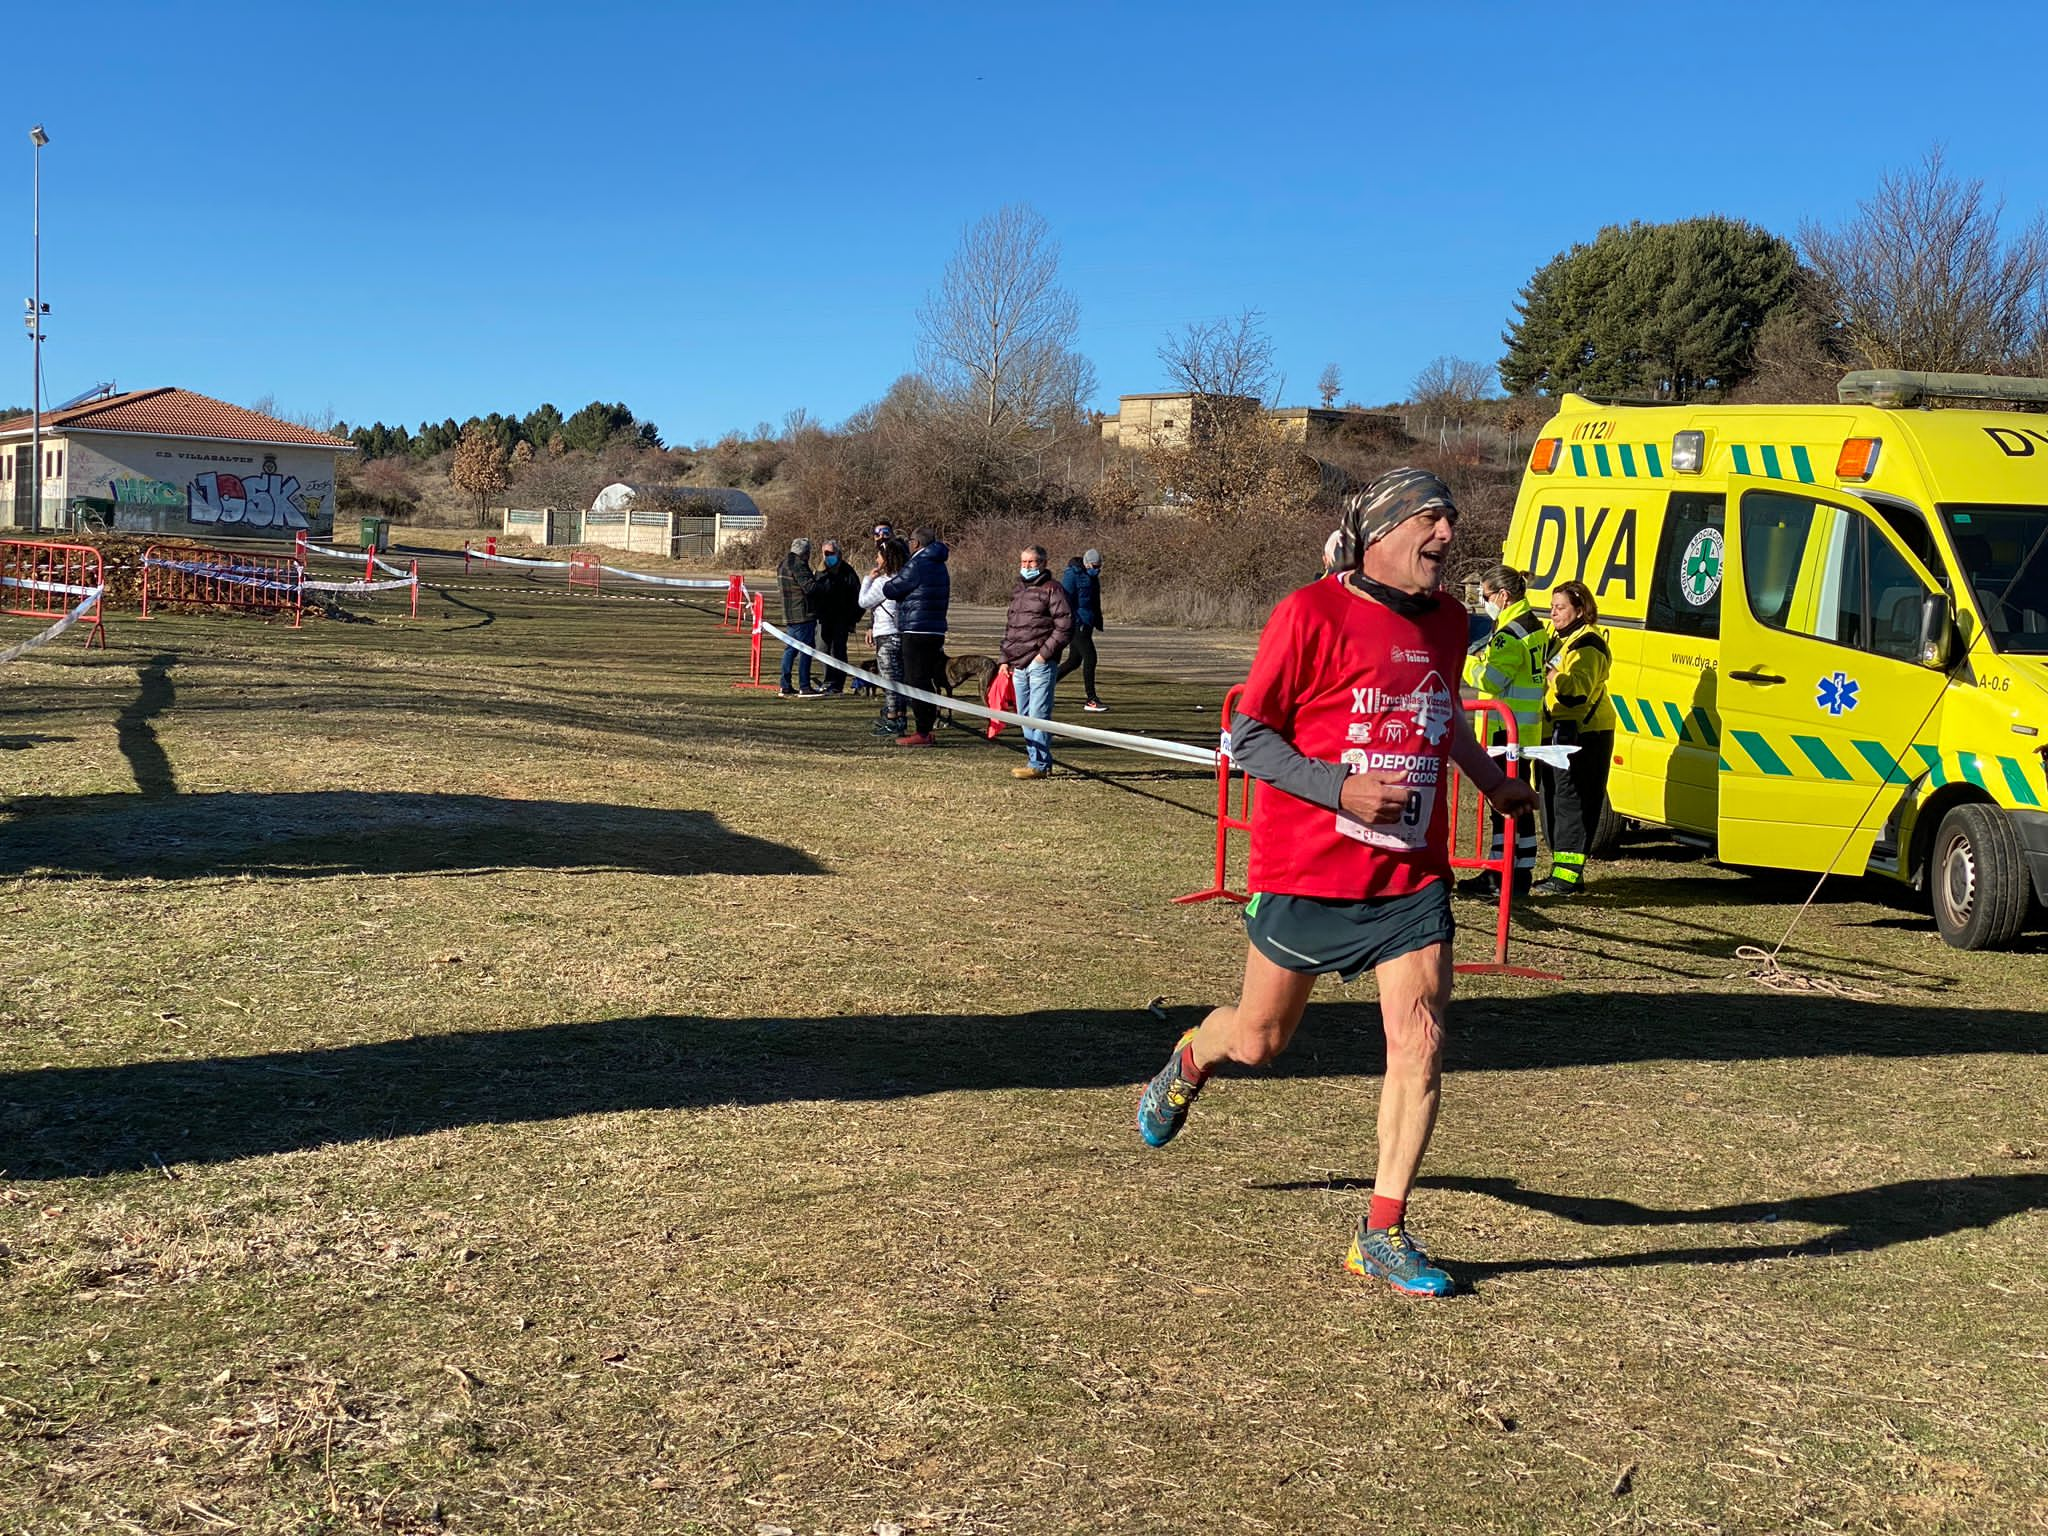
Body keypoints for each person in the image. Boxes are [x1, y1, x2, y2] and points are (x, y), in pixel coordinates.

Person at [1134, 468, 1540, 1299]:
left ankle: (1381, 1230)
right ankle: (1188, 1058)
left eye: (1451, 521)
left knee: (1421, 1036)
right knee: (1259, 1040)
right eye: (1430, 519)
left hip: (1408, 875)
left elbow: (1441, 713)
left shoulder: (1452, 622)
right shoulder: (1308, 612)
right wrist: (1338, 787)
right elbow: (1248, 736)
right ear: (1381, 531)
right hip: (1308, 866)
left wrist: (1487, 778)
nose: (1446, 537)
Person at [1456, 565, 1546, 900]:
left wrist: (1466, 660)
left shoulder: (1510, 633)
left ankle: (1501, 875)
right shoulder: (1533, 624)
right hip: (1525, 730)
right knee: (1518, 806)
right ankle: (1517, 871)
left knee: (1504, 808)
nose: (1485, 602)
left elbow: (1491, 680)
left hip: (1504, 732)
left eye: (1486, 595)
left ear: (1503, 595)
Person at [1534, 579, 1615, 896]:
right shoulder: (1560, 639)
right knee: (1552, 797)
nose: (1553, 613)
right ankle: (1561, 870)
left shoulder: (1588, 645)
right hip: (1557, 730)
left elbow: (1576, 691)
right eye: (1552, 607)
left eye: (1560, 608)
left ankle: (1567, 876)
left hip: (1584, 732)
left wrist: (1551, 674)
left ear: (1580, 610)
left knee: (1572, 801)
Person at [1000, 545, 1073, 779]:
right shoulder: (1018, 590)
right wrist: (1004, 659)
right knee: (1023, 714)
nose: (1027, 567)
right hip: (1018, 663)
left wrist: (1043, 655)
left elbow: (1065, 626)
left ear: (1042, 563)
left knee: (1038, 714)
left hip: (1040, 663)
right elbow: (1012, 628)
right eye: (1023, 562)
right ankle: (1037, 759)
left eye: (1031, 562)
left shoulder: (1053, 589)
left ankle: (1038, 764)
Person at [883, 527, 950, 747]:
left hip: (916, 629)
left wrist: (885, 580)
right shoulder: (940, 565)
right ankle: (927, 724)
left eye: (910, 540)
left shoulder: (918, 563)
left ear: (916, 543)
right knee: (926, 678)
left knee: (916, 680)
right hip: (935, 629)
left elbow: (892, 589)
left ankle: (923, 731)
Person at [860, 536, 909, 737]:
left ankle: (891, 718)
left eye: (879, 556)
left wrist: (867, 580)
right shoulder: (906, 580)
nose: (876, 559)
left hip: (886, 635)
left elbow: (863, 602)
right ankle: (900, 715)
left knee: (889, 680)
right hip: (901, 634)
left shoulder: (882, 582)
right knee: (899, 678)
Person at [1057, 548, 1108, 712]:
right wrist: (1071, 621)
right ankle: (1091, 698)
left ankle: (1043, 686)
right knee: (1090, 657)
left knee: (1074, 661)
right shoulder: (1072, 575)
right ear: (1086, 564)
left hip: (1087, 622)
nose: (1097, 569)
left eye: (1099, 566)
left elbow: (1094, 601)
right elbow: (1065, 600)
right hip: (1075, 623)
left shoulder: (1093, 578)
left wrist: (1097, 620)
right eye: (1094, 566)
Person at [811, 538, 861, 695]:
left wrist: (853, 619)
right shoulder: (819, 571)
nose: (827, 556)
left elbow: (858, 597)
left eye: (831, 553)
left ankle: (838, 683)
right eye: (825, 553)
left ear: (838, 553)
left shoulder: (848, 572)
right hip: (823, 618)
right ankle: (828, 680)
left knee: (838, 650)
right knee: (821, 648)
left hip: (842, 618)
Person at [776, 538, 823, 698]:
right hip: (802, 614)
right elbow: (809, 588)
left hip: (789, 613)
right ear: (805, 553)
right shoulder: (799, 565)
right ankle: (804, 685)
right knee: (806, 650)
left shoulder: (783, 564)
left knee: (790, 650)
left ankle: (785, 685)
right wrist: (821, 583)